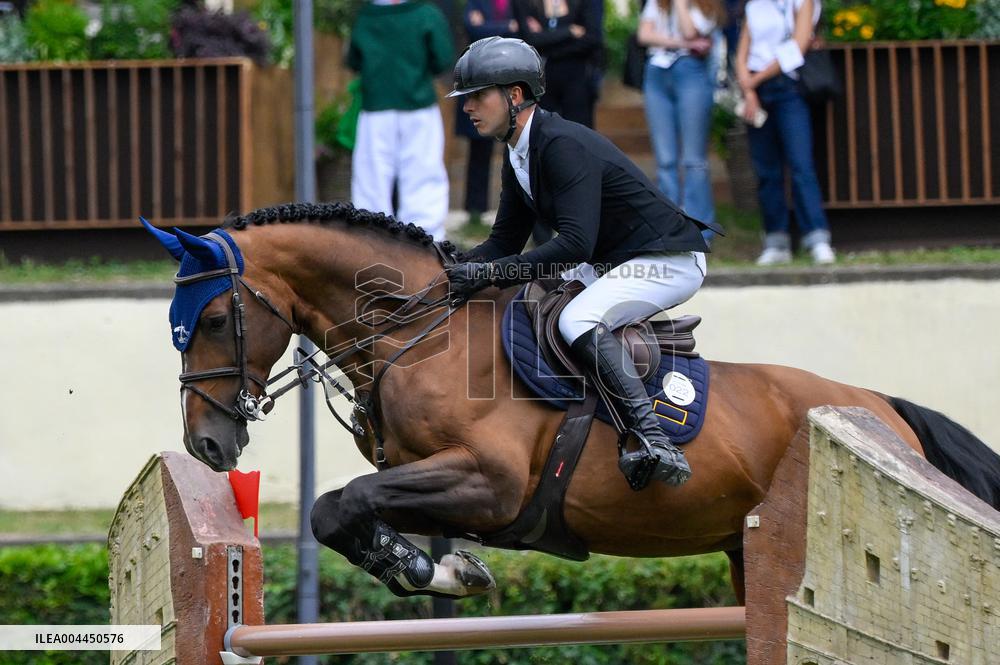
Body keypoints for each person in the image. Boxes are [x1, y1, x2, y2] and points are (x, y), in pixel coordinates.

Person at [443, 37, 723, 491]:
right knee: (532, 304)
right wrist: (448, 268)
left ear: (515, 95)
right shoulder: (517, 153)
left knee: (576, 319)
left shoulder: (561, 145)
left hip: (664, 260)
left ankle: (653, 439)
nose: (468, 107)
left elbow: (574, 244)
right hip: (612, 259)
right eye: (466, 98)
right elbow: (503, 242)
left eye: (478, 96)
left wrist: (491, 274)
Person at [734, 0, 835, 265]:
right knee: (766, 169)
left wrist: (754, 80)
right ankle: (776, 240)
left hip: (788, 87)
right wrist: (748, 90)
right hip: (757, 92)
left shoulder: (802, 2)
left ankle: (817, 237)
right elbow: (742, 53)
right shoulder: (755, 5)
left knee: (801, 164)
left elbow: (797, 47)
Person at [347, 0, 454, 241]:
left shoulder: (366, 17)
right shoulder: (426, 14)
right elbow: (443, 58)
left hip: (375, 106)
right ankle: (426, 240)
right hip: (418, 106)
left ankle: (371, 239)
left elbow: (354, 60)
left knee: (371, 178)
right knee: (423, 171)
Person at [638, 0, 724, 243]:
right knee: (665, 160)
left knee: (693, 160)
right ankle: (670, 231)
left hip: (691, 72)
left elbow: (690, 31)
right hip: (656, 73)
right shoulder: (657, 3)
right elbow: (644, 35)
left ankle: (700, 232)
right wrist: (683, 44)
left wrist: (680, 4)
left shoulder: (706, 7)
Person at [455, 0, 520, 227]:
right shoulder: (476, 2)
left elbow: (525, 32)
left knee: (516, 149)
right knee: (479, 149)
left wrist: (488, 27)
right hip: (481, 82)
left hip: (511, 81)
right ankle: (475, 209)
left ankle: (517, 210)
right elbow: (474, 31)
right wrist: (507, 27)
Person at [512, 0, 604, 129]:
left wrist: (548, 44)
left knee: (577, 130)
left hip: (578, 77)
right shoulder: (527, 3)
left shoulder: (584, 3)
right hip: (540, 80)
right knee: (544, 129)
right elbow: (530, 39)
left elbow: (592, 38)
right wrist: (569, 31)